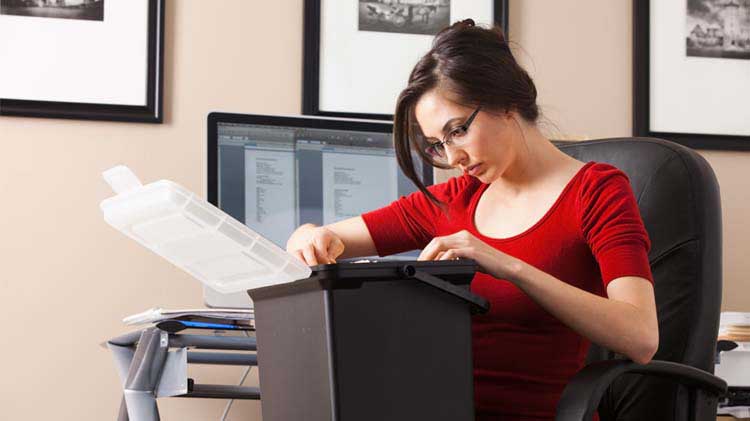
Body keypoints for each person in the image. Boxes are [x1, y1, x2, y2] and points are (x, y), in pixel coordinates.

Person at [286, 19, 658, 420]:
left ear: (505, 102)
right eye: (438, 145)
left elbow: (640, 336)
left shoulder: (597, 191)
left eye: (458, 131)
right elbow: (329, 240)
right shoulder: (453, 199)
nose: (452, 159)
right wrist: (308, 235)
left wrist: (511, 267)